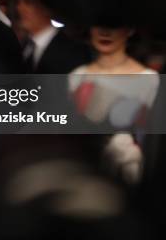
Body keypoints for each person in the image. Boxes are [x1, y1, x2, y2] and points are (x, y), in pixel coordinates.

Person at [68, 21, 159, 184]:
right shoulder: (77, 76)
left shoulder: (149, 80)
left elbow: (151, 143)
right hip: (81, 174)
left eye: (114, 24)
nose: (105, 32)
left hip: (129, 180)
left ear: (129, 29)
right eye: (98, 23)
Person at [16, 0, 90, 73]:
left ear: (45, 7)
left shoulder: (71, 51)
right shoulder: (23, 48)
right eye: (18, 2)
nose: (19, 8)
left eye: (28, 2)